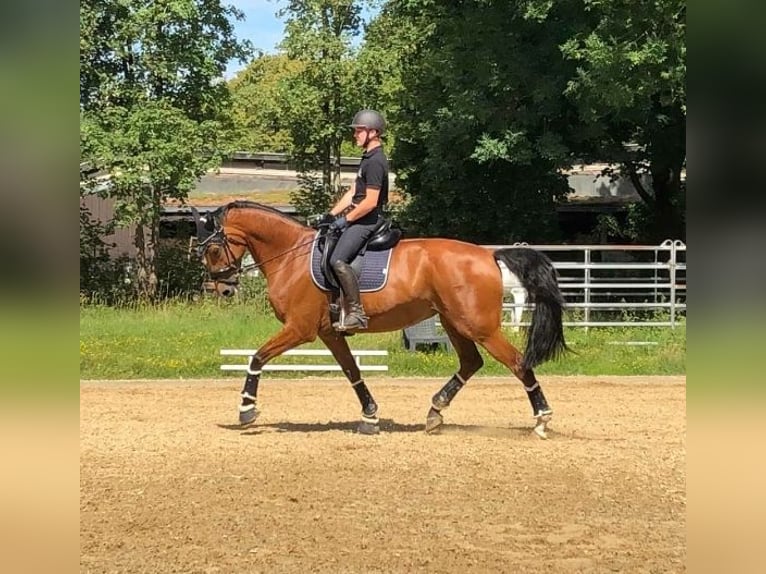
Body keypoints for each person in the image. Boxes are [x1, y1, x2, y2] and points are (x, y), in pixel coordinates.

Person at [322, 109, 389, 331]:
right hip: (360, 216)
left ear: (373, 132)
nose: (355, 135)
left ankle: (357, 314)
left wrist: (346, 220)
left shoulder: (376, 161)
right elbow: (353, 192)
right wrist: (331, 214)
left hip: (369, 219)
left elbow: (370, 201)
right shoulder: (367, 158)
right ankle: (335, 307)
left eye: (359, 131)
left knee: (338, 260)